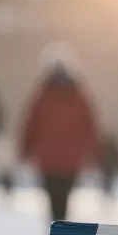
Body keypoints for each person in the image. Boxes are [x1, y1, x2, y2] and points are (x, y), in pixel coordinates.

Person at [21, 57, 101, 222]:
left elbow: (30, 125)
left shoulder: (42, 96)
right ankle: (60, 222)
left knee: (52, 196)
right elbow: (90, 127)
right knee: (64, 195)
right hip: (71, 159)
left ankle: (56, 223)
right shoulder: (80, 97)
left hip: (47, 158)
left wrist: (25, 150)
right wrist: (94, 152)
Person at [99, 133, 118, 199]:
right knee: (108, 179)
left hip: (108, 166)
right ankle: (107, 191)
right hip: (109, 167)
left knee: (107, 179)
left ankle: (107, 191)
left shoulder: (106, 147)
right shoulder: (111, 148)